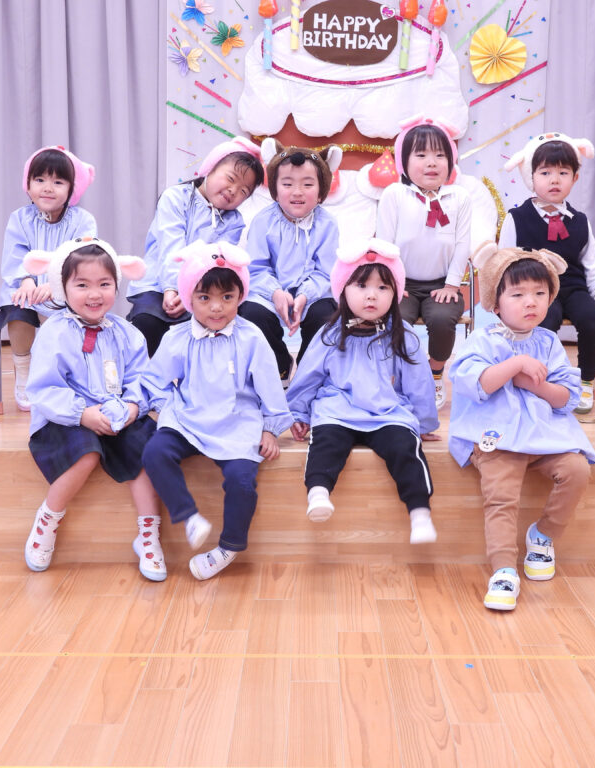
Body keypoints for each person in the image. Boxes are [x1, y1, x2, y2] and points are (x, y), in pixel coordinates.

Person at [448, 244, 595, 612]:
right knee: (501, 495)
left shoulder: (549, 342)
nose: (530, 302)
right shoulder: (483, 340)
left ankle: (543, 534)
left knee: (577, 469)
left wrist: (532, 384)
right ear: (495, 303)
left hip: (544, 436)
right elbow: (477, 383)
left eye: (539, 293)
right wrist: (515, 365)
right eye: (517, 294)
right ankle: (503, 570)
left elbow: (565, 397)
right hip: (496, 437)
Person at [141, 240, 292, 580]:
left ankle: (229, 547)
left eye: (227, 297)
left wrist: (269, 428)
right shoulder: (178, 337)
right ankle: (188, 515)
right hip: (188, 418)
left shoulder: (252, 338)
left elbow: (270, 387)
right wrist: (168, 409)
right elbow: (154, 381)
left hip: (238, 423)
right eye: (204, 298)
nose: (216, 308)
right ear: (189, 298)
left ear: (240, 296)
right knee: (154, 452)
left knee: (242, 481)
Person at [20, 237, 166, 582]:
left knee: (148, 450)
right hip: (66, 416)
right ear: (63, 287)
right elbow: (44, 388)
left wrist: (133, 405)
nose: (94, 294)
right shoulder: (54, 333)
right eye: (82, 285)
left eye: (104, 284)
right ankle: (48, 518)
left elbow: (141, 377)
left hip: (117, 413)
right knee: (85, 453)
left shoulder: (127, 333)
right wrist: (82, 414)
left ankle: (149, 535)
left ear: (117, 285)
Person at [286, 238, 439, 544]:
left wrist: (423, 423)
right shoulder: (330, 333)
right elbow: (308, 376)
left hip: (386, 412)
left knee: (405, 448)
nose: (372, 295)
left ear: (396, 293)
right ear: (343, 289)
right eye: (361, 286)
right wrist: (298, 413)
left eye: (383, 287)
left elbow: (419, 381)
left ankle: (420, 512)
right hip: (338, 410)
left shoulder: (404, 334)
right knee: (325, 443)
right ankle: (318, 493)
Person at [500, 132, 595, 414]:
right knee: (544, 320)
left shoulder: (580, 221)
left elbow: (593, 263)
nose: (554, 180)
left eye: (563, 173)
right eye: (545, 173)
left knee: (592, 319)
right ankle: (543, 380)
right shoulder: (517, 218)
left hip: (573, 288)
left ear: (575, 178)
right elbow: (503, 262)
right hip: (534, 290)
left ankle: (585, 381)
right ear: (531, 177)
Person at [127, 137, 265, 358]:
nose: (233, 190)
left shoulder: (235, 221)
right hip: (158, 284)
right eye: (230, 178)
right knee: (147, 325)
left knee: (215, 333)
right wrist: (173, 288)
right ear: (210, 168)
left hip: (202, 292)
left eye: (243, 191)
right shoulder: (176, 197)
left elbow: (217, 262)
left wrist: (191, 293)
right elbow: (171, 245)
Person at [0, 145, 96, 411]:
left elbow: (81, 259)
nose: (48, 188)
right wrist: (26, 280)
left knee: (56, 319)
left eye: (58, 182)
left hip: (63, 289)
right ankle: (23, 369)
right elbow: (15, 254)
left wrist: (55, 285)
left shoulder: (83, 221)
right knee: (18, 309)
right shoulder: (19, 219)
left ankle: (51, 374)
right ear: (28, 184)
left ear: (71, 189)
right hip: (26, 287)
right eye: (39, 180)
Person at [375, 116, 472, 410]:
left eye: (440, 155)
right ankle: (401, 377)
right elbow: (384, 243)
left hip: (442, 284)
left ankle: (435, 373)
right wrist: (391, 283)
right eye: (421, 155)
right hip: (400, 283)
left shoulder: (459, 197)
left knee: (442, 320)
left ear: (450, 161)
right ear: (404, 162)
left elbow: (462, 244)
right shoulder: (395, 194)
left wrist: (452, 285)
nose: (432, 162)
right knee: (396, 321)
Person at [240, 138, 343, 381]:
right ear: (275, 190)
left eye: (308, 184)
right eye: (287, 184)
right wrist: (275, 292)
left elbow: (326, 272)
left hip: (312, 292)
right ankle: (280, 365)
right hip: (269, 291)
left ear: (321, 192)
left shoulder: (327, 224)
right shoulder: (263, 221)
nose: (297, 191)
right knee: (252, 314)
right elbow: (256, 268)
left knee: (325, 316)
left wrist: (304, 295)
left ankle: (308, 372)